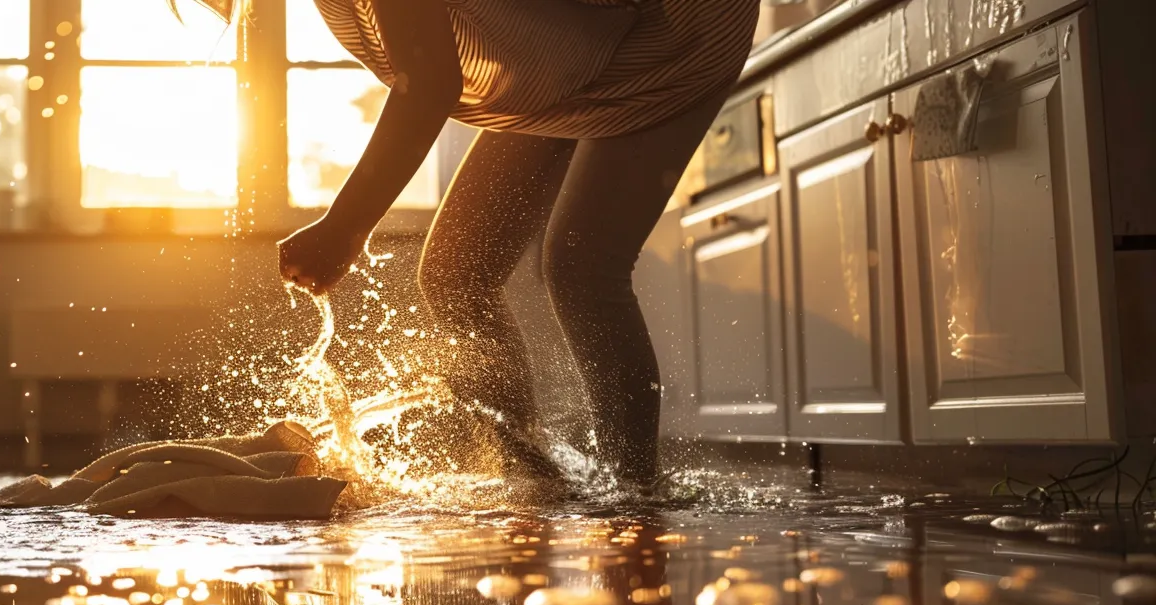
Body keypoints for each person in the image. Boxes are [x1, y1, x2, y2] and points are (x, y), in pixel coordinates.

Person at [177, 0, 758, 487]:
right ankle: (530, 479)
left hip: (675, 29)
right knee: (457, 271)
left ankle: (634, 496)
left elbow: (428, 86)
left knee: (583, 268)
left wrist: (345, 227)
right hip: (562, 46)